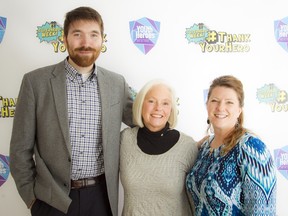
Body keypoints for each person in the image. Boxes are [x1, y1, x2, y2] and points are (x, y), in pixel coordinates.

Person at [9, 6, 133, 216]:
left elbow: (145, 121)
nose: (86, 43)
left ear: (102, 41)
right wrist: (32, 199)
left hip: (101, 199)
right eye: (77, 34)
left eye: (93, 35)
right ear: (65, 39)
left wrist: (182, 140)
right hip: (51, 200)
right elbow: (20, 149)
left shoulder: (116, 84)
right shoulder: (35, 82)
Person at [186, 75, 277, 215]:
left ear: (239, 109)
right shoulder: (204, 148)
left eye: (229, 102)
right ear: (207, 105)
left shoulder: (251, 147)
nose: (220, 107)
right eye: (214, 100)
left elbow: (263, 211)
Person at [120, 79, 199, 215]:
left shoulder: (187, 146)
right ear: (140, 104)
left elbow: (199, 197)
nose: (158, 108)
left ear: (171, 109)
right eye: (151, 101)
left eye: (165, 103)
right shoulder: (124, 140)